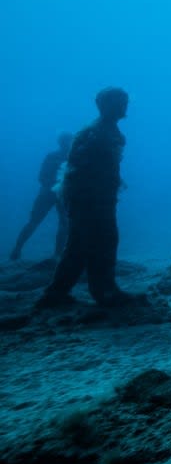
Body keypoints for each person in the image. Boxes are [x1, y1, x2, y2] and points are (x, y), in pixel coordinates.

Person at [38, 89, 134, 307]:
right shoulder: (95, 132)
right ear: (104, 105)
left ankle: (64, 292)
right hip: (89, 199)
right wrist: (88, 199)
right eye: (120, 103)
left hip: (99, 198)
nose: (124, 107)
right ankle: (100, 291)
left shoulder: (107, 130)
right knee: (95, 241)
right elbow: (78, 170)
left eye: (125, 102)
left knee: (87, 243)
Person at [10, 132, 73, 261]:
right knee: (46, 222)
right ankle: (17, 250)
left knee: (60, 223)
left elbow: (42, 177)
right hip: (52, 193)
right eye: (67, 141)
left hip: (56, 194)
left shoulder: (70, 158)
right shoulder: (58, 157)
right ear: (63, 142)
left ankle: (57, 255)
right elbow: (42, 177)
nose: (68, 143)